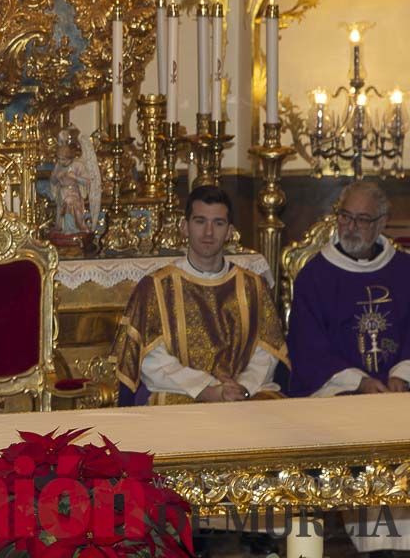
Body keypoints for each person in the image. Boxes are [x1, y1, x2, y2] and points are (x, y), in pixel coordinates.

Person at [288, 180, 409, 554]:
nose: (351, 226)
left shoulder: (405, 270)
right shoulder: (315, 275)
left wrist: (401, 376)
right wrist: (360, 382)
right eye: (344, 216)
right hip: (340, 396)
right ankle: (377, 546)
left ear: (382, 223)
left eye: (361, 219)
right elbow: (307, 346)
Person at [113, 185, 288, 405]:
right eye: (200, 221)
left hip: (245, 393)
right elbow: (150, 360)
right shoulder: (156, 287)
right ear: (184, 227)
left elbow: (267, 352)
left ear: (230, 231)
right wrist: (208, 389)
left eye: (218, 223)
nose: (208, 232)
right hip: (181, 393)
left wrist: (241, 387)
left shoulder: (253, 286)